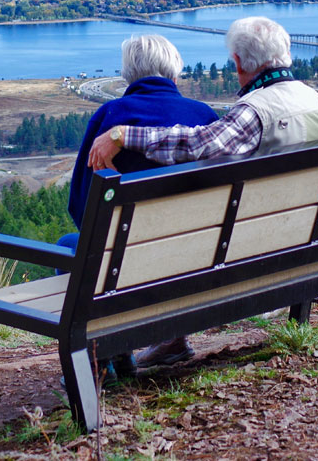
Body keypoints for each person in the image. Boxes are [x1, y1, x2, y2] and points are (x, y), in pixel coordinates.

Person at [88, 16, 318, 368]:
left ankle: (110, 358)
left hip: (247, 248)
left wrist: (123, 135)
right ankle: (170, 342)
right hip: (303, 234)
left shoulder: (255, 113)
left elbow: (199, 146)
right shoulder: (317, 104)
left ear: (237, 62)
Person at [61, 34, 217, 381]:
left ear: (129, 75)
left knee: (69, 246)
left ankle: (107, 355)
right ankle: (141, 349)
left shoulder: (112, 116)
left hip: (129, 266)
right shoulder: (205, 116)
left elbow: (82, 207)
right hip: (199, 260)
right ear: (174, 74)